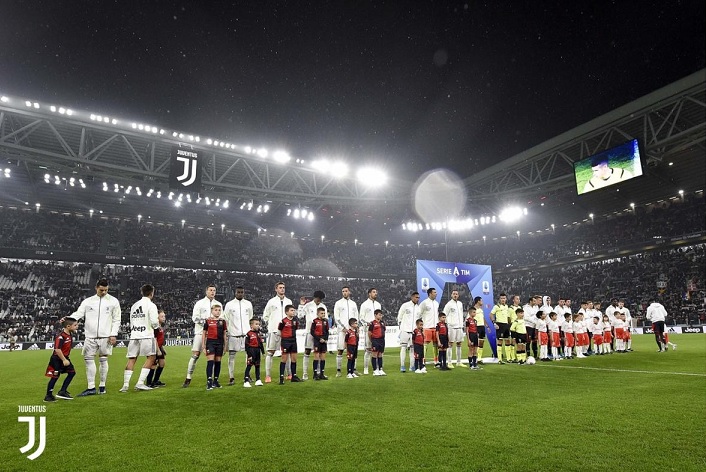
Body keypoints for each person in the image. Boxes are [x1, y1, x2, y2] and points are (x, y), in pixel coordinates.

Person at [73, 278, 121, 396]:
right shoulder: (88, 301)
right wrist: (68, 319)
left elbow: (116, 319)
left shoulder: (113, 301)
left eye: (106, 290)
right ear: (96, 288)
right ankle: (91, 388)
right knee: (88, 359)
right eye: (101, 290)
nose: (104, 292)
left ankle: (102, 386)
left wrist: (113, 333)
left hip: (106, 336)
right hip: (90, 336)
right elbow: (78, 314)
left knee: (103, 360)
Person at [120, 284, 160, 392]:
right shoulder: (151, 305)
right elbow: (154, 322)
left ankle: (125, 385)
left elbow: (132, 321)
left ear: (142, 292)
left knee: (132, 359)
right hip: (146, 335)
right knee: (151, 358)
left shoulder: (134, 305)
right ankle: (140, 383)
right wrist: (157, 327)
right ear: (152, 293)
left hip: (134, 335)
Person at [182, 284, 219, 388]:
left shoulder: (218, 304)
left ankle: (213, 379)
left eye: (214, 290)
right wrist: (207, 322)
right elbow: (194, 318)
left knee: (214, 357)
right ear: (206, 291)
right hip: (200, 332)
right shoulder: (199, 303)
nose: (213, 292)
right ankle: (188, 377)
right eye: (211, 290)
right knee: (195, 355)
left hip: (214, 334)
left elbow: (221, 319)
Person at [263, 282, 293, 383]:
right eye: (280, 288)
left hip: (286, 332)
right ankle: (268, 375)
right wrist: (271, 325)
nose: (282, 289)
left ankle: (289, 374)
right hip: (274, 331)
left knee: (286, 353)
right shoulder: (271, 302)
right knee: (270, 352)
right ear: (276, 289)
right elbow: (265, 316)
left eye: (283, 288)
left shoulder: (289, 301)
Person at [224, 286, 253, 386]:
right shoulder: (229, 305)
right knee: (231, 356)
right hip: (233, 334)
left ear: (244, 293)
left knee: (249, 356)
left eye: (241, 292)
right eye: (238, 292)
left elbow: (250, 317)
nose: (240, 294)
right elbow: (226, 318)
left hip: (246, 334)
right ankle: (231, 377)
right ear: (235, 293)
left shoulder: (248, 304)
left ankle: (247, 374)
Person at [44, 317, 78, 402]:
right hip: (57, 359)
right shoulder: (61, 337)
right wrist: (64, 360)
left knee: (72, 373)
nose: (77, 327)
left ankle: (62, 391)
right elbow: (57, 349)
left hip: (65, 358)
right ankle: (48, 396)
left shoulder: (69, 333)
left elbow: (65, 322)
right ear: (68, 326)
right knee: (55, 376)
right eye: (75, 325)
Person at [299, 290, 327, 380]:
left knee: (319, 353)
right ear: (315, 297)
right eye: (319, 299)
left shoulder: (323, 306)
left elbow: (325, 319)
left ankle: (318, 373)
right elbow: (299, 315)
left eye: (321, 299)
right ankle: (305, 373)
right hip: (310, 332)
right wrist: (301, 305)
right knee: (307, 352)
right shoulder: (308, 305)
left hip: (321, 333)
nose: (320, 301)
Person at [333, 286, 359, 377]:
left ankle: (353, 370)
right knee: (340, 350)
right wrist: (342, 327)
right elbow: (336, 317)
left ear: (349, 292)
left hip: (353, 331)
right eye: (343, 291)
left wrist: (356, 327)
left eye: (346, 291)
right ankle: (338, 370)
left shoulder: (353, 304)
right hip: (342, 331)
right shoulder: (338, 303)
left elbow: (357, 316)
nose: (344, 293)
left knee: (354, 350)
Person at [203, 301, 227, 390]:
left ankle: (215, 381)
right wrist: (203, 346)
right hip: (210, 343)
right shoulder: (208, 321)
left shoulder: (223, 321)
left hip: (220, 343)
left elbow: (224, 334)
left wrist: (225, 346)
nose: (218, 312)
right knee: (210, 361)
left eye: (219, 310)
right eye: (216, 310)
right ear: (212, 311)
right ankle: (209, 382)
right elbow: (204, 333)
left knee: (218, 362)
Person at [359, 287, 381, 375]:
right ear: (369, 294)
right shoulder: (364, 304)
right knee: (368, 349)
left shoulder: (378, 304)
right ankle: (366, 368)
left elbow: (380, 316)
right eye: (374, 292)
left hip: (378, 331)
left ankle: (376, 368)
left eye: (376, 292)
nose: (376, 293)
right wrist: (367, 324)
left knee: (377, 350)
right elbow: (361, 318)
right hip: (368, 330)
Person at [278, 305, 302, 384]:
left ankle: (294, 376)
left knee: (294, 359)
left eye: (294, 310)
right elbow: (279, 331)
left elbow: (296, 328)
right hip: (285, 341)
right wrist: (283, 339)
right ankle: (281, 377)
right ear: (286, 312)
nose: (293, 312)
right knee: (284, 359)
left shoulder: (295, 320)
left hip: (293, 341)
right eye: (291, 310)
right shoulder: (283, 321)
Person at [397, 291, 420, 373]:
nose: (417, 299)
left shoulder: (418, 308)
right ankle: (402, 366)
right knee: (403, 348)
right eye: (416, 297)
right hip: (405, 330)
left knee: (412, 349)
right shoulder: (405, 305)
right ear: (412, 297)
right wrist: (401, 327)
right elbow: (399, 316)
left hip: (413, 332)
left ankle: (412, 366)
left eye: (418, 298)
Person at [442, 289, 464, 368]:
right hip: (451, 327)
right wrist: (447, 324)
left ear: (458, 295)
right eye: (454, 294)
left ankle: (459, 362)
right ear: (451, 295)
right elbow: (444, 314)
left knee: (459, 343)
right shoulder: (449, 304)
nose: (455, 295)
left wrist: (461, 324)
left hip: (459, 326)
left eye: (456, 294)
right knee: (450, 344)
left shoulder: (460, 304)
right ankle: (449, 362)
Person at [145, 310, 167, 388]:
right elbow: (154, 339)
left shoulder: (160, 326)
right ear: (157, 317)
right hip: (154, 347)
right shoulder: (155, 327)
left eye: (164, 316)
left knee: (162, 363)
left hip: (159, 347)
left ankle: (156, 381)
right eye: (162, 316)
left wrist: (162, 348)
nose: (164, 318)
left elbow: (159, 338)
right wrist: (157, 350)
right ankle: (149, 382)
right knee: (153, 365)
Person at [490, 293, 512, 364]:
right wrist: (494, 323)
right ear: (500, 299)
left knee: (507, 341)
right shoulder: (497, 306)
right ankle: (499, 359)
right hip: (500, 325)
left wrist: (510, 324)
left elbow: (508, 317)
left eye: (504, 298)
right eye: (502, 298)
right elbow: (491, 314)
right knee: (500, 341)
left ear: (506, 299)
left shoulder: (507, 307)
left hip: (506, 325)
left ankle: (509, 358)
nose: (503, 299)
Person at [420, 287, 440, 366]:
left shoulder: (436, 303)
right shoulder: (424, 303)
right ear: (430, 294)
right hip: (427, 326)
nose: (436, 294)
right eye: (434, 292)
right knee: (425, 344)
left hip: (435, 327)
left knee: (436, 344)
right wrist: (421, 325)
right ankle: (423, 361)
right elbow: (419, 313)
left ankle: (436, 361)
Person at [243, 318, 265, 387]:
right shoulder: (248, 334)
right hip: (251, 351)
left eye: (258, 324)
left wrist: (263, 352)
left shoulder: (258, 333)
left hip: (257, 351)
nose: (258, 325)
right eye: (256, 324)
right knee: (249, 365)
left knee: (257, 365)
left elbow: (260, 343)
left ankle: (258, 380)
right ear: (251, 325)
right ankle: (246, 381)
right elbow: (246, 345)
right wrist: (249, 354)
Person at [310, 307, 330, 380]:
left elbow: (327, 331)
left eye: (324, 313)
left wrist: (325, 339)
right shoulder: (314, 321)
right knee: (316, 357)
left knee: (323, 358)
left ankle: (322, 374)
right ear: (317, 313)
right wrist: (319, 339)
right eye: (322, 313)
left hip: (323, 341)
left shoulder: (326, 321)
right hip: (317, 341)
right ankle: (315, 374)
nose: (323, 314)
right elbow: (312, 332)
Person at [368, 309, 386, 376]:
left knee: (380, 354)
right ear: (375, 315)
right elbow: (369, 333)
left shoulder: (382, 322)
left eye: (381, 315)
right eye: (379, 315)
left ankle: (380, 369)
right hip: (375, 340)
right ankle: (375, 370)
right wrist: (372, 340)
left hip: (382, 340)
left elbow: (384, 330)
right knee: (374, 354)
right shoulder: (372, 323)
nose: (381, 316)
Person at [472, 296, 487, 363]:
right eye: (481, 300)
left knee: (481, 342)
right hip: (476, 327)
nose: (482, 302)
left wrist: (486, 325)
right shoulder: (473, 309)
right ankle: (474, 357)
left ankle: (479, 358)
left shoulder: (481, 310)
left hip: (482, 327)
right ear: (478, 301)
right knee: (476, 343)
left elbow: (483, 318)